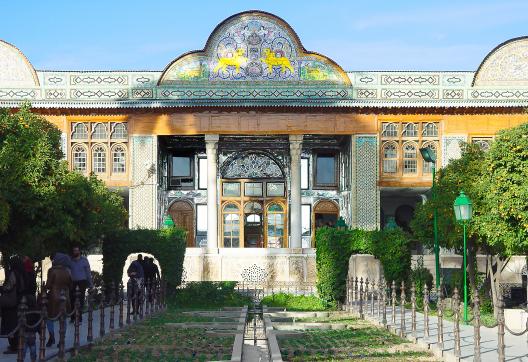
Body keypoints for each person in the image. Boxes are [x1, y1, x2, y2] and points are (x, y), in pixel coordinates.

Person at [45, 253, 72, 348]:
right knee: (63, 319)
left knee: (49, 318)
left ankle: (51, 337)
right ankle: (62, 339)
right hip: (65, 296)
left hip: (54, 297)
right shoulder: (67, 271)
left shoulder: (52, 271)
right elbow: (70, 284)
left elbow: (48, 285)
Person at [0, 255, 25, 354]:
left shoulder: (13, 273)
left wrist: (2, 288)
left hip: (11, 303)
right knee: (16, 324)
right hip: (19, 301)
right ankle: (17, 345)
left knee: (10, 324)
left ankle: (14, 346)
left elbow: (9, 286)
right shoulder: (22, 273)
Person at [69, 246, 92, 323]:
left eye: (76, 250)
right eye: (74, 250)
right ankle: (72, 318)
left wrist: (90, 284)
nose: (75, 252)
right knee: (72, 299)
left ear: (79, 251)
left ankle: (79, 318)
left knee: (80, 300)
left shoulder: (84, 260)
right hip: (73, 282)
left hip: (82, 282)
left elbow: (88, 272)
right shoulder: (70, 261)